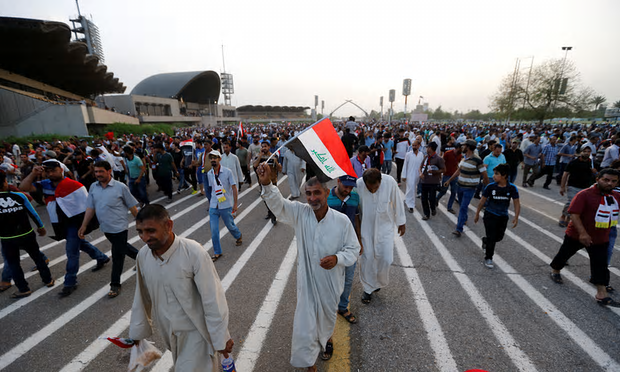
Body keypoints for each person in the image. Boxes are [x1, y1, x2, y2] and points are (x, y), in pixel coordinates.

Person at [258, 164, 360, 370]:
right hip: (307, 283)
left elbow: (354, 249)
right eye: (308, 194)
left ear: (326, 193)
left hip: (330, 284)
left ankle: (326, 340)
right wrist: (267, 183)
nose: (312, 198)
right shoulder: (300, 213)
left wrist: (337, 258)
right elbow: (279, 206)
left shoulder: (341, 222)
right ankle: (309, 362)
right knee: (304, 327)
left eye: (317, 193)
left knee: (326, 319)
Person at [129, 205, 234, 371]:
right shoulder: (143, 256)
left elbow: (213, 298)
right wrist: (137, 333)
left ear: (169, 225)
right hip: (170, 335)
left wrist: (221, 337)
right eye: (140, 232)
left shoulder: (193, 252)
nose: (145, 237)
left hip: (197, 334)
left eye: (151, 231)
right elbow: (142, 296)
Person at [19, 159, 109, 297]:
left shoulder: (74, 185)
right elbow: (23, 187)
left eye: (53, 170)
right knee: (79, 244)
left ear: (61, 170)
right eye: (47, 171)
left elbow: (88, 206)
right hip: (60, 223)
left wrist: (84, 225)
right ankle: (101, 257)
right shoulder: (45, 184)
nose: (50, 173)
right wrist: (33, 173)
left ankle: (70, 282)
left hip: (75, 222)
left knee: (71, 251)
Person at [549, 168, 620, 308]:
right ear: (597, 179)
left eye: (613, 181)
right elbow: (574, 214)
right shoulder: (584, 194)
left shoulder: (615, 197)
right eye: (606, 180)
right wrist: (582, 233)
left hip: (600, 238)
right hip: (577, 235)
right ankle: (555, 270)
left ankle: (602, 294)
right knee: (564, 255)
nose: (609, 183)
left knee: (600, 264)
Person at [78, 161, 140, 298]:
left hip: (119, 227)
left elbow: (132, 206)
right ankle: (142, 258)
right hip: (106, 227)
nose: (98, 174)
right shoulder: (93, 187)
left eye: (101, 171)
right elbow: (90, 207)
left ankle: (115, 284)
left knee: (117, 254)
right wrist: (84, 225)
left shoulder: (120, 187)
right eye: (96, 172)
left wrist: (140, 222)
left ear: (109, 171)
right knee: (123, 247)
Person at [0, 171, 54, 298]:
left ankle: (23, 289)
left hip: (8, 239)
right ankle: (48, 280)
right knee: (37, 257)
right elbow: (33, 213)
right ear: (5, 182)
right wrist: (41, 227)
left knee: (14, 264)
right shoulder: (19, 196)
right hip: (27, 234)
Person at [357, 168, 406, 304]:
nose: (372, 190)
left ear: (380, 181)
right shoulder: (359, 184)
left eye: (375, 188)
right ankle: (367, 288)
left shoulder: (389, 182)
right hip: (365, 228)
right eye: (369, 188)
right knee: (367, 258)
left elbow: (397, 201)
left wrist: (401, 222)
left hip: (385, 228)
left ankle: (377, 282)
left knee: (386, 258)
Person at [326, 175, 363, 325]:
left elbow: (356, 218)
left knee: (348, 279)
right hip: (330, 245)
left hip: (350, 245)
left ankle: (342, 307)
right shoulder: (327, 198)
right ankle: (327, 309)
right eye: (345, 186)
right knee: (329, 279)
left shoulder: (354, 197)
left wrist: (359, 240)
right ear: (338, 181)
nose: (348, 190)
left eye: (351, 187)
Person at [474, 164, 520, 269]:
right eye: (494, 173)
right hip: (490, 215)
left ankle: (485, 241)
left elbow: (517, 203)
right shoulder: (490, 187)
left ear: (504, 176)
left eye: (496, 174)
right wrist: (477, 213)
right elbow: (482, 201)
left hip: (503, 216)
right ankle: (489, 257)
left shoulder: (512, 188)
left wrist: (516, 217)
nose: (494, 176)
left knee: (498, 237)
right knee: (492, 237)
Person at [444, 140, 489, 237]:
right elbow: (458, 171)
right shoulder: (464, 158)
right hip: (460, 186)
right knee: (462, 206)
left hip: (469, 188)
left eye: (463, 146)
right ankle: (464, 218)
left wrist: (487, 188)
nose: (462, 148)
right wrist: (449, 180)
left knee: (463, 207)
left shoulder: (477, 160)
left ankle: (458, 229)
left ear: (468, 147)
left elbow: (484, 175)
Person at [206, 150, 243, 261]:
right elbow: (211, 189)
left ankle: (238, 235)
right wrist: (210, 203)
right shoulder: (209, 174)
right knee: (214, 231)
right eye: (211, 158)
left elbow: (234, 188)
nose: (213, 159)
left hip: (225, 205)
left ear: (219, 159)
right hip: (214, 206)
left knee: (230, 225)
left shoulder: (227, 172)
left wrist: (235, 204)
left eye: (215, 158)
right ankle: (217, 252)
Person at [558, 146, 595, 227]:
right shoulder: (573, 162)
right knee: (571, 202)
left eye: (588, 151)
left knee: (579, 204)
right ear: (580, 152)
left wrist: (595, 172)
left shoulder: (591, 163)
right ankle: (563, 216)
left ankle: (568, 218)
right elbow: (565, 174)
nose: (586, 153)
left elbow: (599, 176)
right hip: (573, 186)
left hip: (585, 187)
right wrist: (562, 187)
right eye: (584, 151)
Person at [253, 141, 282, 225]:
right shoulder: (259, 156)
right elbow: (255, 165)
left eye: (265, 146)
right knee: (265, 199)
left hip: (272, 181)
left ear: (269, 147)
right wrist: (260, 156)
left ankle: (273, 216)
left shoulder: (273, 157)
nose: (263, 148)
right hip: (262, 182)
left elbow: (279, 169)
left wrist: (279, 165)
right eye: (262, 146)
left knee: (272, 199)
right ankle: (270, 212)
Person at [419, 142, 445, 220]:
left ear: (431, 148)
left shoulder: (438, 159)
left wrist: (435, 172)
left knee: (431, 198)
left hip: (433, 182)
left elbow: (443, 169)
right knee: (423, 199)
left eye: (428, 147)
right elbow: (420, 167)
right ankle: (426, 214)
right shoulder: (426, 158)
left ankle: (433, 208)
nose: (426, 149)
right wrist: (420, 173)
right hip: (424, 181)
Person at [436, 142, 462, 213]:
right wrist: (441, 173)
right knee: (443, 190)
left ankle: (449, 207)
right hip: (446, 175)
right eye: (460, 149)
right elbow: (442, 163)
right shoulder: (448, 153)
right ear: (456, 148)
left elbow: (457, 164)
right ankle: (436, 199)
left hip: (454, 176)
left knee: (454, 192)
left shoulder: (460, 155)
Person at [402, 140, 424, 213]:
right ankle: (410, 205)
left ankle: (409, 201)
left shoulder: (421, 154)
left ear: (419, 146)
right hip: (410, 174)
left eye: (415, 145)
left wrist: (422, 174)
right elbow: (405, 165)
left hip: (418, 174)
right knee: (411, 189)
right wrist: (404, 175)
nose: (414, 147)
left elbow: (422, 165)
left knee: (414, 189)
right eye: (413, 145)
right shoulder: (408, 154)